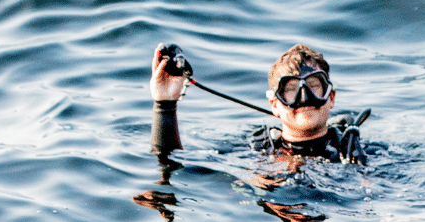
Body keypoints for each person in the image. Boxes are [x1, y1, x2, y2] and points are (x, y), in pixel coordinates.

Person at [149, 43, 368, 164]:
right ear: (274, 104)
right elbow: (172, 164)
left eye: (314, 85)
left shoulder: (357, 153)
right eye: (291, 89)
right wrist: (165, 105)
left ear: (331, 97)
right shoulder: (255, 152)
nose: (305, 97)